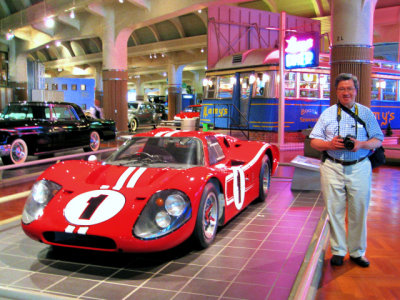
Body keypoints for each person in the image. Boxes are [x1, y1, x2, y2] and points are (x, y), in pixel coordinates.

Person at [309, 73, 384, 268]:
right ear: (336, 92)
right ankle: (339, 251)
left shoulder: (366, 113)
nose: (346, 92)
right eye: (342, 89)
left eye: (349, 88)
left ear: (356, 91)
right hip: (332, 167)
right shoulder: (327, 114)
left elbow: (378, 139)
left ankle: (358, 252)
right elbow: (314, 141)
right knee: (334, 211)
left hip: (359, 167)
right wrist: (329, 144)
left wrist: (362, 144)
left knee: (359, 210)